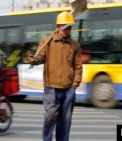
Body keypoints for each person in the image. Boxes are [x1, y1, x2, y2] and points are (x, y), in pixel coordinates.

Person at [27, 11, 83, 141]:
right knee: (50, 116)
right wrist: (34, 60)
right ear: (57, 26)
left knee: (65, 122)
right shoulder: (47, 41)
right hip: (51, 88)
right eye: (64, 27)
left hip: (68, 89)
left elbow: (78, 66)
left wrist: (75, 85)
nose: (66, 30)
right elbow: (40, 57)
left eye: (69, 27)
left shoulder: (75, 45)